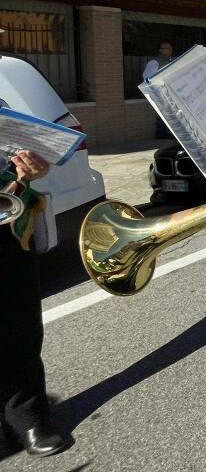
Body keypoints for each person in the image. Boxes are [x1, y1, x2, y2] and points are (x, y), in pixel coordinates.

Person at [0, 92, 70, 457]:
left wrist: (31, 171)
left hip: (8, 230)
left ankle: (27, 417)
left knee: (19, 328)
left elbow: (15, 166)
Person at [143, 41, 174, 138]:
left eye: (170, 48)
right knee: (162, 113)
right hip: (160, 92)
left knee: (170, 113)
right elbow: (147, 78)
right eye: (167, 48)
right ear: (160, 50)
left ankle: (167, 133)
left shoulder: (170, 61)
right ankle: (160, 134)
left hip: (170, 92)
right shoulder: (154, 62)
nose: (170, 50)